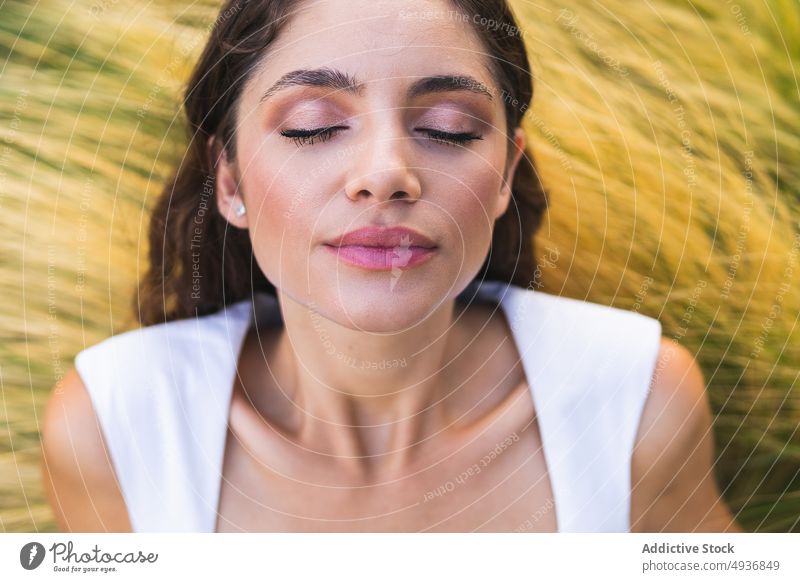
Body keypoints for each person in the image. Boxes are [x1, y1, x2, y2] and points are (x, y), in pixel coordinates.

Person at [41, 0, 742, 533]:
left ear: (505, 176)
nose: (386, 174)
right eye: (312, 124)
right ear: (229, 182)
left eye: (448, 128)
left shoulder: (635, 402)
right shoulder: (112, 426)